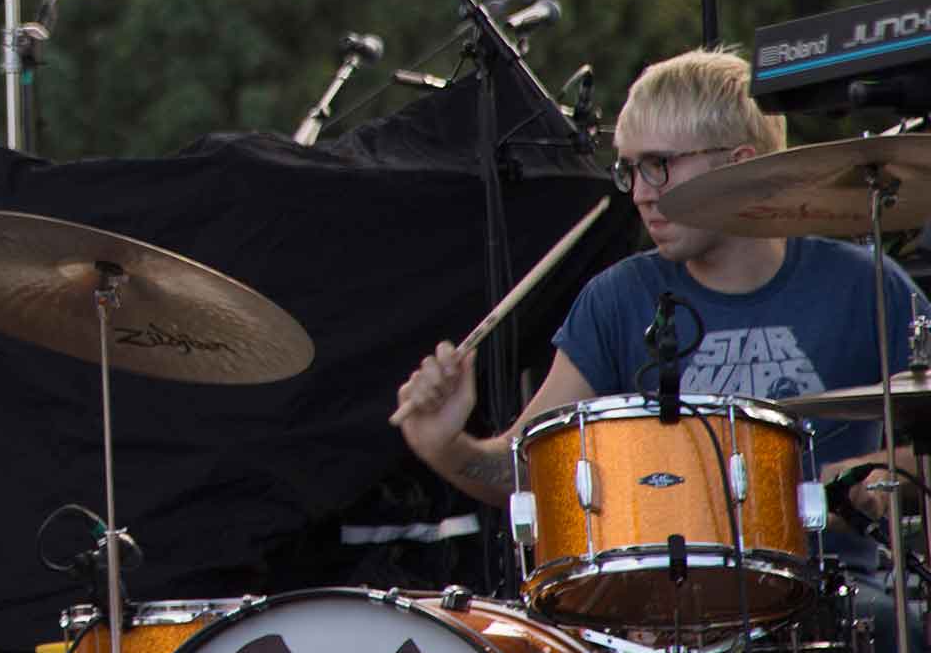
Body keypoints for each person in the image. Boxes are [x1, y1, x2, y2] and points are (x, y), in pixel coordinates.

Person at [392, 46, 921, 516]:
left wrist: (876, 468)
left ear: (741, 166)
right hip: (662, 607)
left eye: (660, 165)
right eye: (629, 169)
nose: (641, 193)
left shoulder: (865, 285)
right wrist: (447, 446)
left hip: (842, 599)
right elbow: (530, 472)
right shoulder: (618, 298)